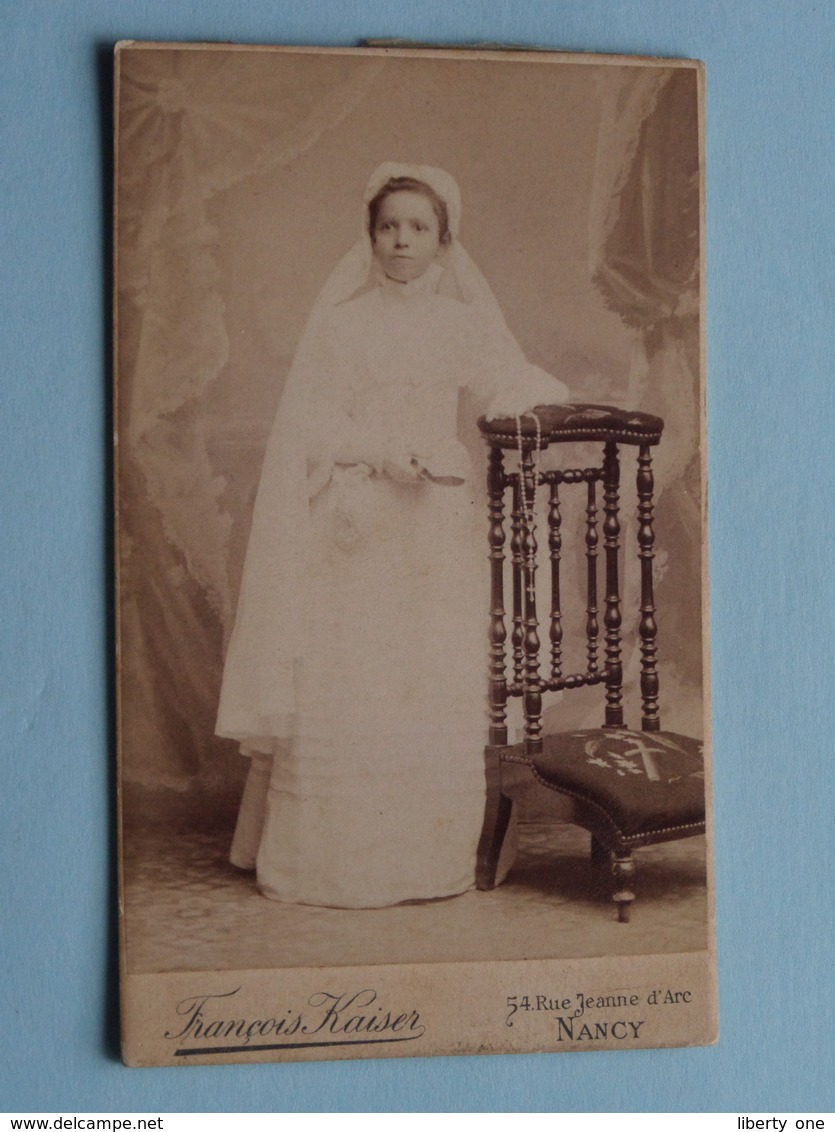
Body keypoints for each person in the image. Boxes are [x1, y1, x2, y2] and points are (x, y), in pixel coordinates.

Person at [216, 163, 569, 908]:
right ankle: (334, 863)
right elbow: (311, 424)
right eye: (388, 227)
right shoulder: (342, 324)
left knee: (426, 676)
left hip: (432, 526)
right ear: (370, 236)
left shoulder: (463, 323)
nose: (400, 240)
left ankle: (421, 859)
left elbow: (504, 380)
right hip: (356, 520)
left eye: (417, 228)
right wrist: (382, 453)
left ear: (444, 242)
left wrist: (526, 402)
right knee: (352, 673)